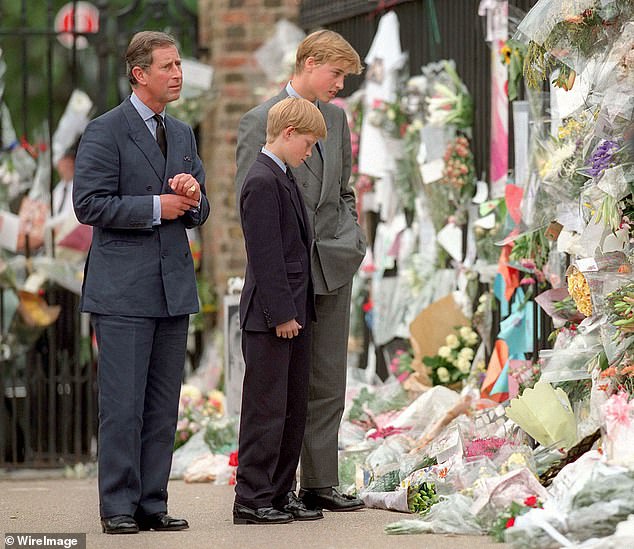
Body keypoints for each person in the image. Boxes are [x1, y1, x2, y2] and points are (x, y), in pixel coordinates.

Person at [73, 30, 210, 535]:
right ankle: (118, 506)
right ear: (140, 74)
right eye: (168, 66)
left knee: (161, 406)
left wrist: (193, 193)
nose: (178, 74)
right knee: (123, 406)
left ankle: (154, 501)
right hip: (123, 290)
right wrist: (157, 206)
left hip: (173, 287)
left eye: (179, 65)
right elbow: (88, 204)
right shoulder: (104, 131)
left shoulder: (183, 134)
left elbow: (201, 210)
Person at [235, 30, 366, 514]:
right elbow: (252, 203)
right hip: (289, 271)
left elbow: (345, 190)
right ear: (309, 63)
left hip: (334, 264)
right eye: (336, 74)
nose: (340, 86)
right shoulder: (260, 121)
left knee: (328, 378)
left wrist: (353, 239)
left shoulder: (337, 120)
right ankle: (272, 489)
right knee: (278, 387)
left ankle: (319, 480)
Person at [234, 96, 325, 525]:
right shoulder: (262, 180)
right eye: (307, 144)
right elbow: (266, 255)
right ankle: (252, 498)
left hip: (294, 312)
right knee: (266, 408)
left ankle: (280, 491)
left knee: (293, 406)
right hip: (273, 316)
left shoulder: (282, 175)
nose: (309, 153)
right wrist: (282, 313)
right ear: (288, 134)